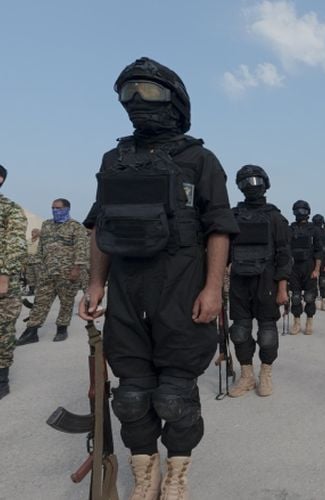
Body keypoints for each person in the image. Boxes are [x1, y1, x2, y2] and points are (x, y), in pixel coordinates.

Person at [79, 57, 239, 499]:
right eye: (128, 92)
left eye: (148, 91)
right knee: (131, 395)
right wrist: (95, 283)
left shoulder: (199, 159)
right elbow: (99, 227)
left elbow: (219, 229)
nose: (136, 100)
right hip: (128, 290)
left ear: (174, 100)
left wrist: (213, 288)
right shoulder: (115, 159)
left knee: (174, 394)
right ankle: (144, 473)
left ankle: (176, 475)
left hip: (182, 287)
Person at [226, 165, 291, 397]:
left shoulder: (275, 218)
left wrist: (282, 288)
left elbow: (284, 255)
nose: (251, 186)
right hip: (239, 282)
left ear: (265, 184)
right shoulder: (232, 216)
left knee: (267, 334)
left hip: (267, 282)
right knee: (239, 332)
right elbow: (223, 252)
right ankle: (246, 376)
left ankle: (265, 374)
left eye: (255, 181)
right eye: (246, 182)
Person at [16, 198, 88, 344]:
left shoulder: (75, 226)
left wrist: (76, 268)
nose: (55, 211)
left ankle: (62, 329)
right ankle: (31, 331)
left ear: (67, 209)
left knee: (66, 302)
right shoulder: (46, 225)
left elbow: (81, 249)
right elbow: (41, 248)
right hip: (47, 272)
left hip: (67, 272)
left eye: (58, 208)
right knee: (40, 301)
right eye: (53, 208)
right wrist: (39, 266)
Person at [0, 164, 28, 400]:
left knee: (2, 330)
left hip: (2, 279)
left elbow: (16, 243)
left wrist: (4, 275)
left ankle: (2, 379)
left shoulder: (10, 209)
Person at [288, 200, 323, 335]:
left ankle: (309, 322)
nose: (299, 213)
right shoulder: (290, 229)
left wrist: (317, 270)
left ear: (308, 212)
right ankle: (296, 322)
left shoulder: (314, 230)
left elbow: (318, 251)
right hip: (294, 267)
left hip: (309, 267)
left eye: (302, 210)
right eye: (297, 210)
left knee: (309, 297)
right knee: (295, 297)